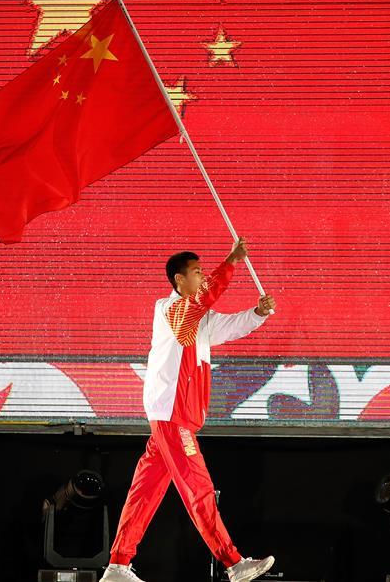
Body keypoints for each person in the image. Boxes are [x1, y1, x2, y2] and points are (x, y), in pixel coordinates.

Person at [101, 238, 276, 582]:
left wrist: (259, 313)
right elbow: (201, 299)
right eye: (196, 272)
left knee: (144, 492)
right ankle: (234, 563)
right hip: (172, 415)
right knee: (199, 489)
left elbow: (229, 326)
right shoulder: (170, 311)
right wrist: (231, 261)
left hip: (176, 418)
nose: (201, 277)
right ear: (180, 280)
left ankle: (118, 565)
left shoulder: (198, 318)